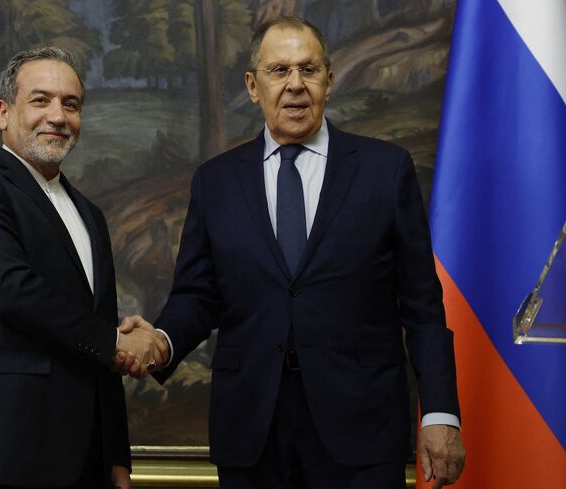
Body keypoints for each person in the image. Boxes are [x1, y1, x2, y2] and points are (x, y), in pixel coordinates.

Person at [121, 16, 466, 489]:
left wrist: (441, 413)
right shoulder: (217, 181)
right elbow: (198, 296)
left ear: (329, 79)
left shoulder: (385, 171)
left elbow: (423, 306)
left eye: (308, 69)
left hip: (361, 427)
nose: (295, 85)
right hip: (252, 429)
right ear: (252, 85)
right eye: (279, 70)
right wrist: (161, 341)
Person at [0, 47, 166, 489]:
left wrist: (116, 454)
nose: (58, 116)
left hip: (87, 461)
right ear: (4, 112)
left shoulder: (90, 213)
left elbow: (97, 335)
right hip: (1, 451)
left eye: (71, 104)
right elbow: (11, 290)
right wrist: (120, 340)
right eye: (41, 100)